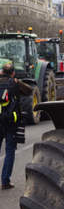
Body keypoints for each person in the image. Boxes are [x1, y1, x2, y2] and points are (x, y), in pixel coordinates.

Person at [0, 62, 32, 190]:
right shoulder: (14, 83)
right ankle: (5, 181)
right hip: (10, 122)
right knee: (9, 151)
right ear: (13, 73)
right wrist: (17, 81)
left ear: (2, 71)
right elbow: (29, 91)